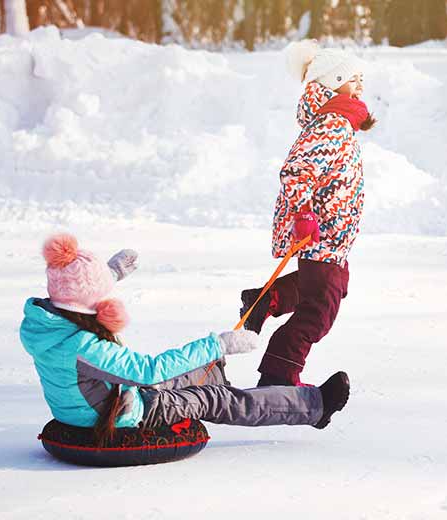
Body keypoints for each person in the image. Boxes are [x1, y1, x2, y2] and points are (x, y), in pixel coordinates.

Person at [20, 233, 350, 446]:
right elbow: (148, 372)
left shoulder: (50, 324)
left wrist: (112, 273)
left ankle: (228, 379)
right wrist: (219, 344)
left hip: (93, 405)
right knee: (215, 398)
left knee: (195, 372)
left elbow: (75, 294)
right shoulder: (84, 347)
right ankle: (314, 407)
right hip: (123, 415)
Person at [240, 40, 376, 387]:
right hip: (320, 231)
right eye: (353, 78)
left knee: (333, 287)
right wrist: (303, 214)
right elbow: (297, 171)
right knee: (319, 311)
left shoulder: (338, 121)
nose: (360, 85)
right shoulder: (332, 123)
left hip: (332, 234)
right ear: (333, 82)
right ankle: (279, 376)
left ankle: (265, 299)